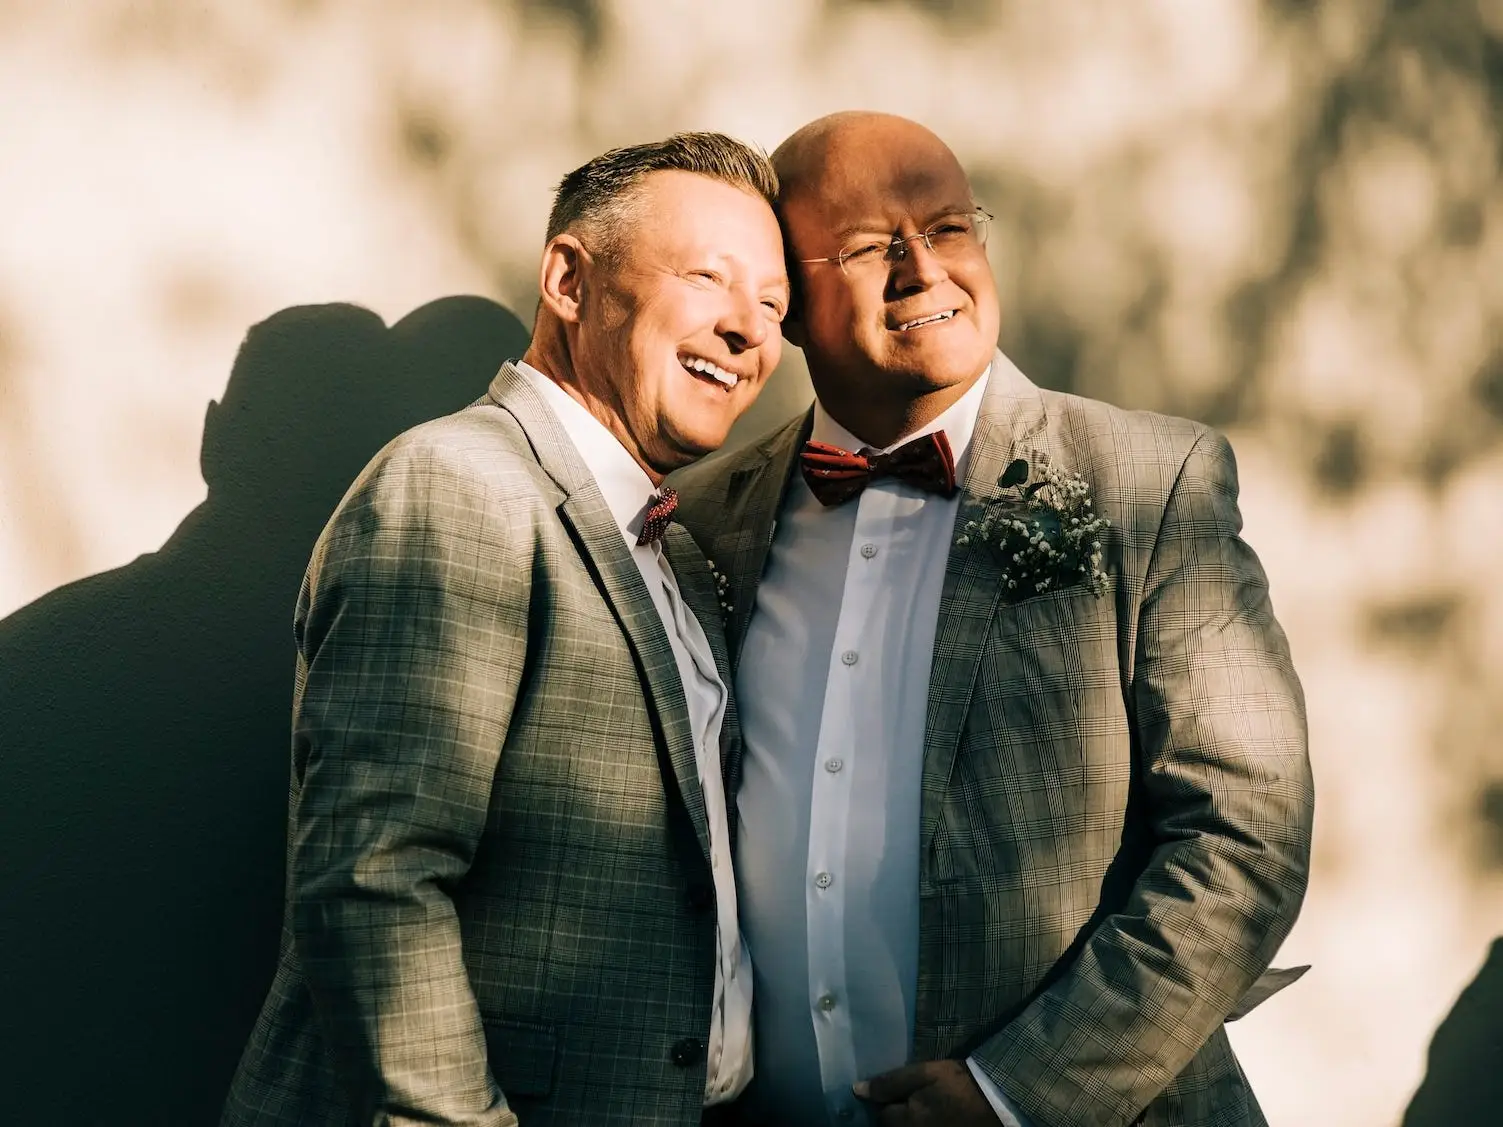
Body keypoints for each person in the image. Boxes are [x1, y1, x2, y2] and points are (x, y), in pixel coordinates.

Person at [673, 111, 1314, 1127]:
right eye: (874, 245)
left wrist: (1017, 1093)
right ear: (789, 300)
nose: (924, 269)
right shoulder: (703, 518)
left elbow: (1247, 835)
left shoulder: (1154, 481)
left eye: (950, 227)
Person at [222, 131, 789, 1127]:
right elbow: (375, 881)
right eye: (711, 278)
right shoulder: (457, 486)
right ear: (569, 280)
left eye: (776, 306)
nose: (752, 330)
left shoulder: (681, 556)